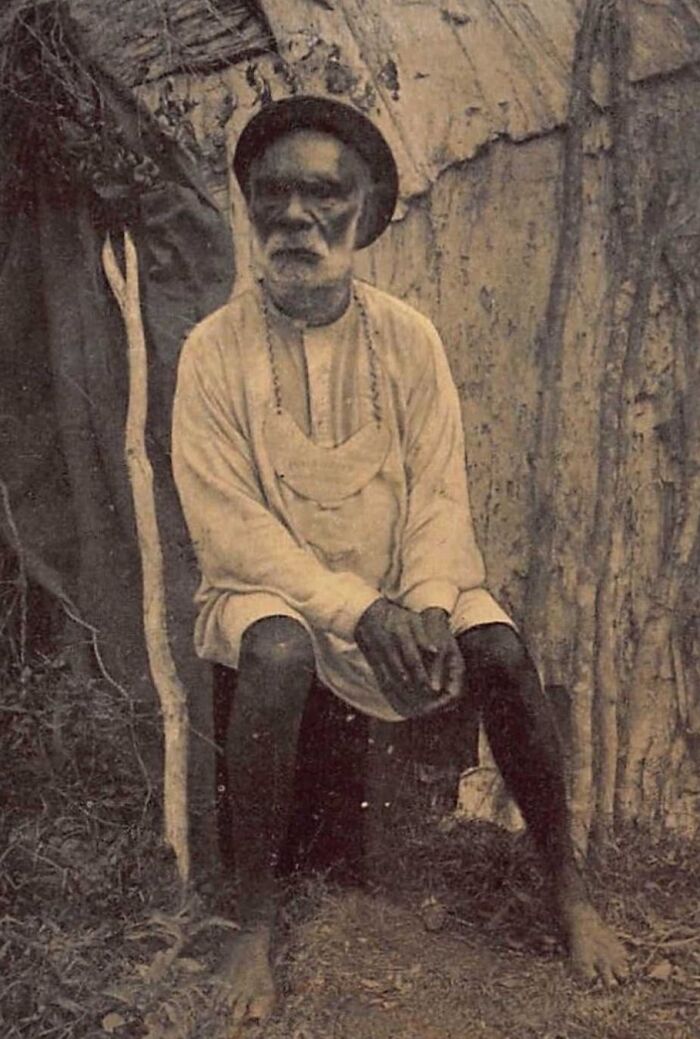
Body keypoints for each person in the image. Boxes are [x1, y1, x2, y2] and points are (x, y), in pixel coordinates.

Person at [172, 95, 627, 1028]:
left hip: (401, 586)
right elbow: (233, 531)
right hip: (274, 595)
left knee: (497, 645)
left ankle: (568, 891)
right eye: (275, 195)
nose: (297, 217)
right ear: (250, 207)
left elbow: (438, 493)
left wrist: (423, 599)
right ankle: (253, 925)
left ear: (367, 209)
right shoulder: (211, 353)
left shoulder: (408, 338)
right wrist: (356, 608)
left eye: (324, 196)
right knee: (278, 645)